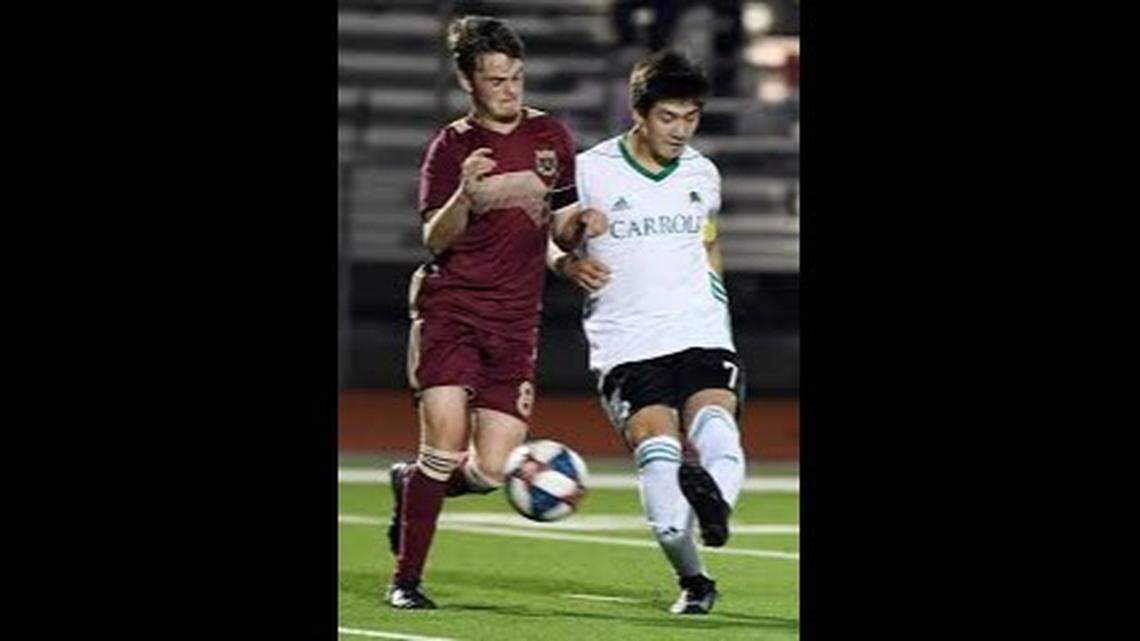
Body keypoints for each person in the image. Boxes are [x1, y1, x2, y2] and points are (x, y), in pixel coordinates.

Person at [385, 15, 604, 610]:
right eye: (495, 80)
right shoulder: (451, 146)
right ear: (468, 82)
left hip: (515, 322)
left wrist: (580, 230)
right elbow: (435, 237)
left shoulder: (551, 136)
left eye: (516, 77)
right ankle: (406, 581)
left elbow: (560, 225)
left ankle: (411, 487)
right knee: (443, 447)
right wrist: (464, 192)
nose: (509, 90)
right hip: (451, 311)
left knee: (489, 469)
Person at [550, 49, 747, 615]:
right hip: (627, 341)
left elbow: (708, 240)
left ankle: (713, 507)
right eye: (668, 117)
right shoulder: (590, 169)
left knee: (718, 431)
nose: (680, 131)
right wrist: (569, 259)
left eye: (691, 117)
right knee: (660, 465)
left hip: (699, 329)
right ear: (638, 113)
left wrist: (719, 312)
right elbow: (550, 237)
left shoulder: (703, 173)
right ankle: (695, 578)